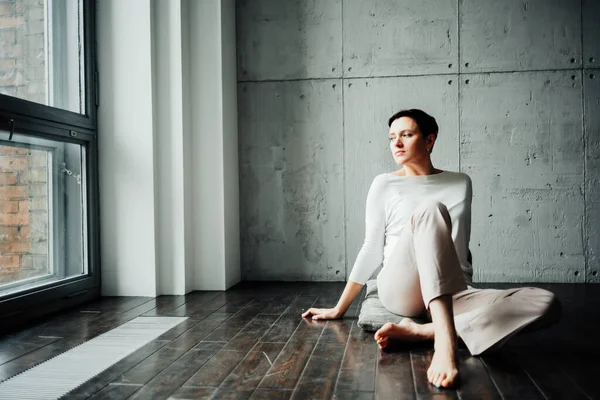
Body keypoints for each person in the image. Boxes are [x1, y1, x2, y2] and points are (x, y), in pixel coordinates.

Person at [301, 109, 561, 389]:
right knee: (429, 210)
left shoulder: (460, 182)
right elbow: (371, 248)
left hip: (453, 288)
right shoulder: (385, 183)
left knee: (545, 302)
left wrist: (463, 290)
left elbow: (459, 247)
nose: (396, 143)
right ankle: (446, 345)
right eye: (392, 138)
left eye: (406, 135)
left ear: (429, 140)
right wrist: (339, 308)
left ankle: (425, 331)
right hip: (403, 287)